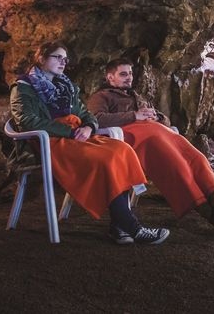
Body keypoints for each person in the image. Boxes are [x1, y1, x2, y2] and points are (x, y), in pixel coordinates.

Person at [9, 42, 169, 245]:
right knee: (104, 159)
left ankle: (120, 227)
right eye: (57, 57)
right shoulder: (23, 86)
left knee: (121, 150)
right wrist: (70, 131)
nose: (63, 62)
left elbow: (86, 114)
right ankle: (133, 228)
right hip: (48, 141)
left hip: (76, 136)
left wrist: (88, 128)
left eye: (65, 59)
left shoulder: (65, 86)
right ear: (41, 58)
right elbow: (27, 121)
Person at [87, 58, 214, 231]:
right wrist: (134, 116)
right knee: (176, 164)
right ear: (110, 78)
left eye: (130, 73)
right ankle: (207, 213)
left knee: (195, 158)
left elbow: (166, 120)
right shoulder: (101, 96)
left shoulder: (137, 96)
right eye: (123, 74)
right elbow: (96, 120)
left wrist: (158, 117)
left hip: (160, 133)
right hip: (137, 141)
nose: (129, 77)